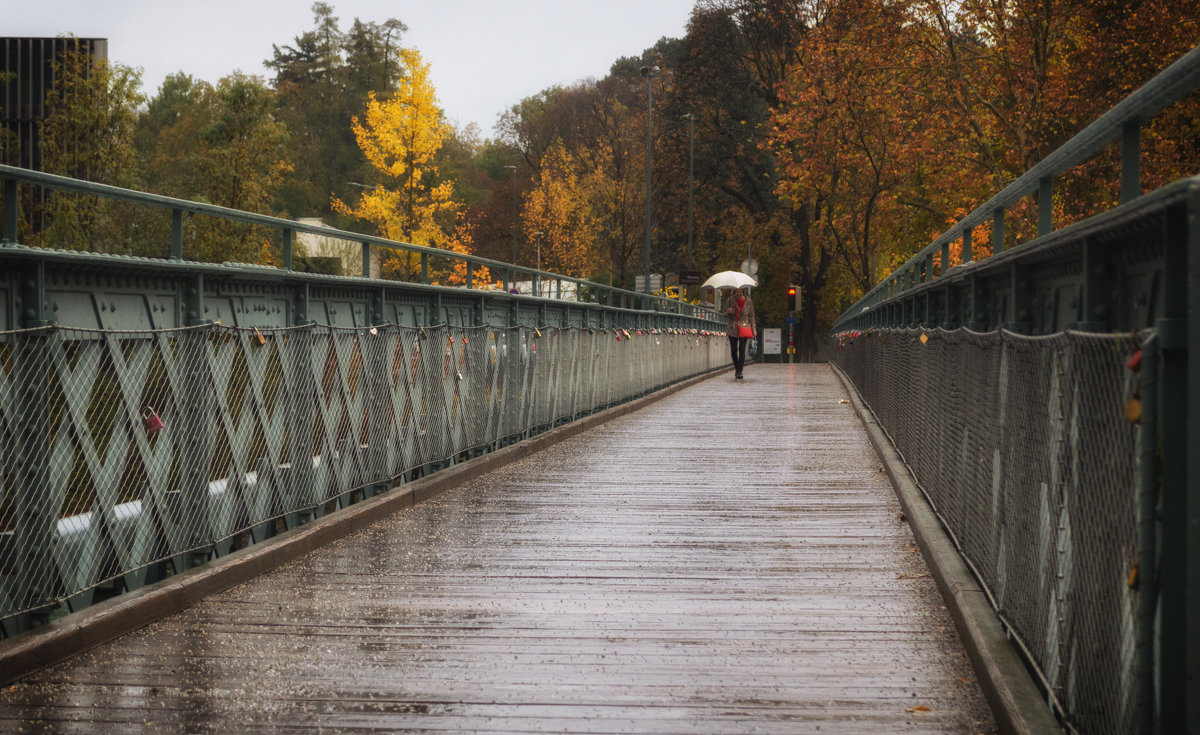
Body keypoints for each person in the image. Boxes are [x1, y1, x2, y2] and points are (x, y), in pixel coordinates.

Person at [722, 287, 756, 379]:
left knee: (742, 350)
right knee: (733, 351)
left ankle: (739, 372)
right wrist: (729, 312)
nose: (738, 292)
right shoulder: (730, 300)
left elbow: (752, 316)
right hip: (733, 328)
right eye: (737, 291)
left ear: (743, 291)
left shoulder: (748, 301)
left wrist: (754, 329)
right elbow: (723, 313)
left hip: (744, 327)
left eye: (740, 291)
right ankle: (738, 369)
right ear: (734, 291)